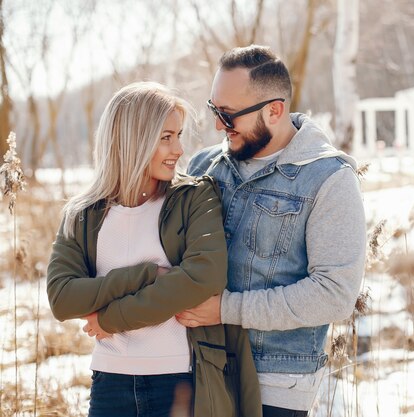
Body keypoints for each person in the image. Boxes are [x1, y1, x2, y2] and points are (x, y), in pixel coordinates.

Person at [46, 82, 261, 417]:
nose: (178, 149)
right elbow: (62, 298)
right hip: (110, 383)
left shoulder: (194, 197)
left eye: (177, 136)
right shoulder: (83, 214)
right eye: (166, 137)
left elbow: (203, 278)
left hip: (180, 380)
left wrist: (112, 318)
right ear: (133, 139)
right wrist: (145, 274)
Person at [181, 45, 367, 417]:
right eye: (214, 110)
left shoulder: (329, 180)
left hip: (277, 383)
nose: (218, 125)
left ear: (275, 110)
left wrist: (226, 309)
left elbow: (334, 294)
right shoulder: (204, 166)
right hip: (199, 368)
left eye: (228, 115)